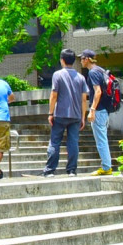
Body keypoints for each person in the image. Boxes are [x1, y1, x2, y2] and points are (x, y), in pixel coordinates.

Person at [44, 48, 88, 177]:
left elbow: (54, 95)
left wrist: (50, 113)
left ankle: (50, 170)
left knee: (54, 142)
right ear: (73, 61)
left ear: (62, 60)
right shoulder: (80, 77)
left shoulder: (57, 75)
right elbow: (84, 99)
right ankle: (72, 170)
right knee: (73, 142)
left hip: (60, 114)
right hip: (75, 115)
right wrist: (83, 117)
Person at [80, 50, 112, 176]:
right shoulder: (100, 70)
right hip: (105, 110)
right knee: (102, 139)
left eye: (82, 58)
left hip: (99, 111)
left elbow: (98, 92)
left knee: (101, 140)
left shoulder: (93, 72)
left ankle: (106, 167)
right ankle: (106, 166)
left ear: (87, 59)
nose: (81, 61)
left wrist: (92, 110)